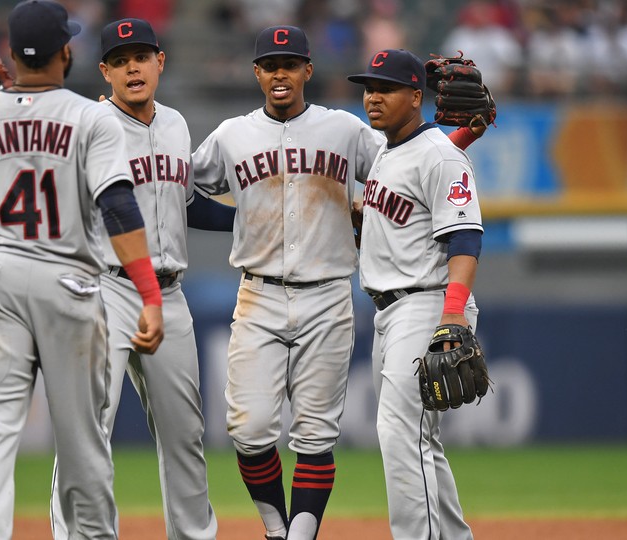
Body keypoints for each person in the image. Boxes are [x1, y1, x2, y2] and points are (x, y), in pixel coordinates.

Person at [190, 26, 483, 540]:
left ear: (308, 70)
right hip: (279, 293)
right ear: (256, 72)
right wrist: (238, 221)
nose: (279, 72)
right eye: (269, 63)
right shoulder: (234, 134)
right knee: (253, 429)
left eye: (291, 62)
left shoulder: (350, 133)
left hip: (359, 296)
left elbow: (426, 175)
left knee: (363, 434)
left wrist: (459, 138)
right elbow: (401, 175)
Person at [0, 2, 164, 539]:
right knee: (81, 441)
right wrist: (150, 296)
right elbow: (119, 207)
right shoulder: (92, 117)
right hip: (67, 283)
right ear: (66, 52)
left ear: (10, 54)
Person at [49, 17, 234, 540]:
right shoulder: (85, 127)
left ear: (160, 62)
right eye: (122, 59)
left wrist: (253, 219)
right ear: (104, 70)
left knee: (185, 433)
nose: (134, 66)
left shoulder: (175, 124)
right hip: (103, 287)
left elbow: (189, 202)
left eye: (143, 55)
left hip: (169, 293)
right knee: (88, 429)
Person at [347, 48, 484, 539]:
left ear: (416, 96)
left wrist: (452, 317)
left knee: (399, 433)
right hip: (389, 309)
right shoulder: (392, 148)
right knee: (419, 439)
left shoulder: (440, 155)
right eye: (369, 88)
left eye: (385, 88)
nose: (373, 97)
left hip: (427, 303)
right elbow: (421, 179)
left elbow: (465, 238)